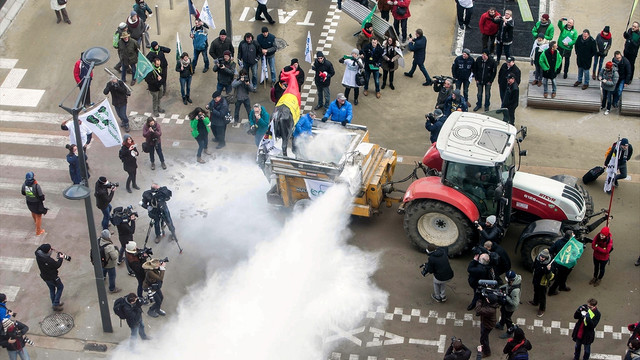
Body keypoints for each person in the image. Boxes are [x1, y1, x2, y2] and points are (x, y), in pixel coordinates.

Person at [35, 243, 66, 311]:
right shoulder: (49, 260)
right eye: (49, 250)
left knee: (52, 289)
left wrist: (49, 248)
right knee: (60, 287)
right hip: (53, 277)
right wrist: (61, 258)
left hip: (45, 277)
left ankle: (54, 303)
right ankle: (55, 304)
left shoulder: (38, 255)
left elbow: (39, 249)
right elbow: (57, 265)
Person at [548, 229, 575, 295]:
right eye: (573, 234)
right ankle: (551, 291)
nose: (574, 235)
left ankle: (562, 286)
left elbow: (551, 250)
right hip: (566, 264)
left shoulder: (559, 242)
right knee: (560, 277)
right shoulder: (571, 244)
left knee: (563, 276)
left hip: (559, 262)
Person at [475, 289, 500, 358]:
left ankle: (487, 352)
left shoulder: (490, 310)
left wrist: (479, 300)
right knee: (483, 337)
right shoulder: (492, 305)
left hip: (487, 325)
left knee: (484, 339)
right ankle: (484, 347)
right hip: (486, 323)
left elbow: (478, 310)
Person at [496, 271, 521, 339]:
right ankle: (501, 324)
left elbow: (515, 303)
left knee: (508, 319)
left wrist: (506, 296)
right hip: (506, 305)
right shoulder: (513, 283)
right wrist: (500, 288)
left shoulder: (515, 290)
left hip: (510, 307)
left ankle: (509, 332)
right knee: (502, 312)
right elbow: (507, 286)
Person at [529, 249, 553, 317]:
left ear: (546, 258)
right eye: (541, 256)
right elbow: (534, 265)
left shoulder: (549, 265)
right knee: (536, 291)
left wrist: (548, 270)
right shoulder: (537, 258)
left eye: (543, 257)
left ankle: (542, 308)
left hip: (542, 283)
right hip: (536, 279)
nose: (541, 258)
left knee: (542, 296)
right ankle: (535, 301)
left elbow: (550, 277)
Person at [112, 206, 137, 273]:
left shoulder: (118, 221)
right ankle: (130, 270)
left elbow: (125, 220)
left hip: (122, 238)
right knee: (127, 255)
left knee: (123, 248)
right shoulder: (123, 224)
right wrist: (132, 220)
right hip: (127, 239)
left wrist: (129, 217)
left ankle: (119, 260)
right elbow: (132, 230)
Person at [98, 229, 121, 294]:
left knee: (103, 269)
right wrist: (116, 250)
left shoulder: (99, 240)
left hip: (102, 261)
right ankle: (112, 288)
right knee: (112, 276)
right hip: (110, 264)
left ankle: (103, 277)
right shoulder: (109, 247)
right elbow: (114, 257)